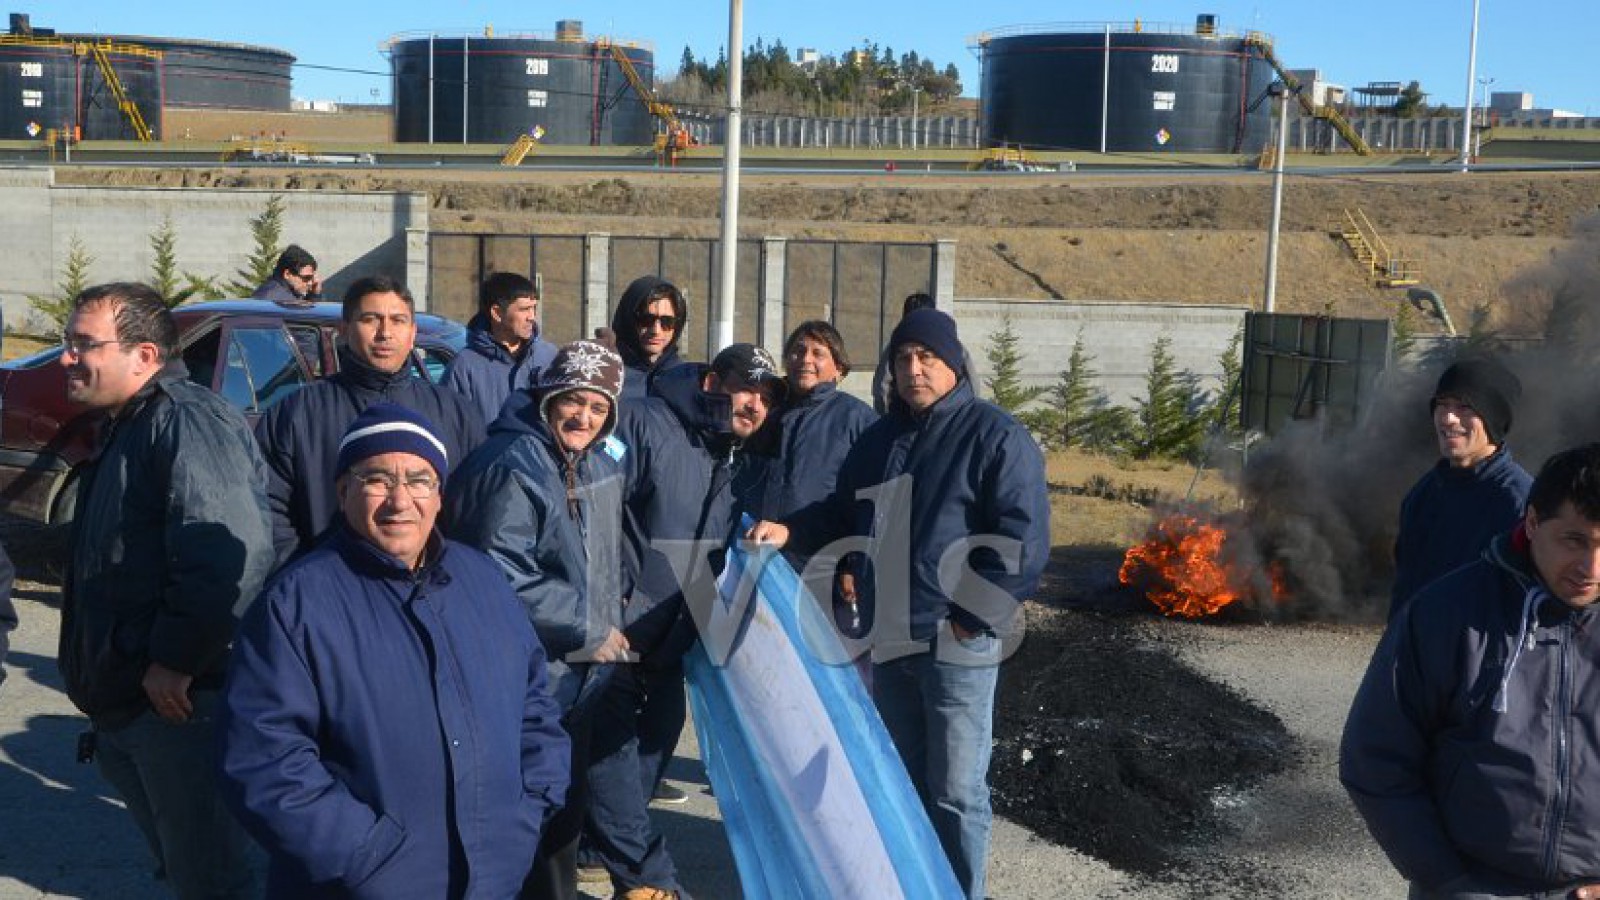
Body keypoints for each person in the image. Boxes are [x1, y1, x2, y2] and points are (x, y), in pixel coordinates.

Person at [749, 308, 1050, 900]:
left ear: (954, 363)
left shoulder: (994, 435)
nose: (914, 369)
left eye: (927, 358)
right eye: (904, 359)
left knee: (957, 790)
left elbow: (1022, 543)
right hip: (889, 636)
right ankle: (913, 886)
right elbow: (845, 512)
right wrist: (789, 529)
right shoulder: (882, 438)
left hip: (953, 641)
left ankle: (961, 891)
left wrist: (966, 620)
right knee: (902, 782)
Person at [218, 403, 571, 899]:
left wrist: (529, 807)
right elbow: (265, 758)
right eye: (378, 479)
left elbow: (535, 705)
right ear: (343, 492)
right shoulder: (296, 602)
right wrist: (364, 855)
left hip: (493, 878)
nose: (400, 500)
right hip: (363, 884)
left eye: (419, 479)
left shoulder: (483, 581)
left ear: (440, 494)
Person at [56, 282, 274, 899]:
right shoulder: (131, 423)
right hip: (132, 702)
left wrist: (176, 659)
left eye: (82, 344)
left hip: (178, 708)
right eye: (66, 342)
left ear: (144, 356)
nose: (66, 358)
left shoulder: (184, 419)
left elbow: (228, 549)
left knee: (219, 881)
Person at [1342, 443, 1600, 899]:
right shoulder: (1447, 615)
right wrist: (1447, 881)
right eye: (1575, 540)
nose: (1590, 568)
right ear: (1534, 522)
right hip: (1472, 885)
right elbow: (1376, 756)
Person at [587, 343, 784, 900]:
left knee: (656, 739)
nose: (756, 404)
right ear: (711, 384)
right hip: (617, 631)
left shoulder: (728, 454)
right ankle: (647, 881)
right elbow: (592, 514)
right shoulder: (646, 422)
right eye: (748, 389)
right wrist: (608, 610)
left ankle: (590, 848)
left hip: (669, 637)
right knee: (616, 761)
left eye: (767, 398)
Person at [445, 340, 632, 900]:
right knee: (522, 827)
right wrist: (589, 628)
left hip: (571, 680)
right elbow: (497, 572)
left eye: (598, 409)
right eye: (575, 401)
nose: (584, 417)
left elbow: (595, 560)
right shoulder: (511, 464)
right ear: (550, 398)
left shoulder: (587, 459)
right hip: (524, 679)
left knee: (559, 828)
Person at [255, 275, 485, 564]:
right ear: (344, 330)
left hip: (432, 592)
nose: (385, 333)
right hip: (329, 595)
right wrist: (308, 578)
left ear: (413, 332)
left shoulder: (457, 414)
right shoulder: (294, 415)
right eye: (371, 319)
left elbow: (478, 510)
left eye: (398, 321)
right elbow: (268, 513)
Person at [1389, 357, 1532, 620]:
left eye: (1465, 407)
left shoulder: (1519, 503)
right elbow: (1404, 593)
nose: (1449, 418)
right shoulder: (1423, 495)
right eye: (1442, 404)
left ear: (1493, 418)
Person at [762, 320, 877, 635]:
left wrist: (853, 565)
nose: (805, 359)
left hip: (826, 568)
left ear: (838, 368)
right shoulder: (768, 412)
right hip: (767, 564)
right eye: (798, 351)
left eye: (818, 353)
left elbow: (868, 501)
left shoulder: (857, 420)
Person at [442, 271, 559, 424]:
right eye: (524, 309)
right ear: (497, 313)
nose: (532, 317)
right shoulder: (464, 367)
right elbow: (451, 427)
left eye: (533, 308)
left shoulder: (549, 357)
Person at [610, 275, 687, 400]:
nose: (656, 330)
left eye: (667, 322)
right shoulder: (605, 376)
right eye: (646, 319)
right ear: (628, 319)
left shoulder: (686, 381)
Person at [251, 244, 323, 306]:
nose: (310, 283)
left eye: (311, 278)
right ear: (287, 274)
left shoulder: (284, 294)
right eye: (306, 278)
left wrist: (314, 294)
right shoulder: (278, 301)